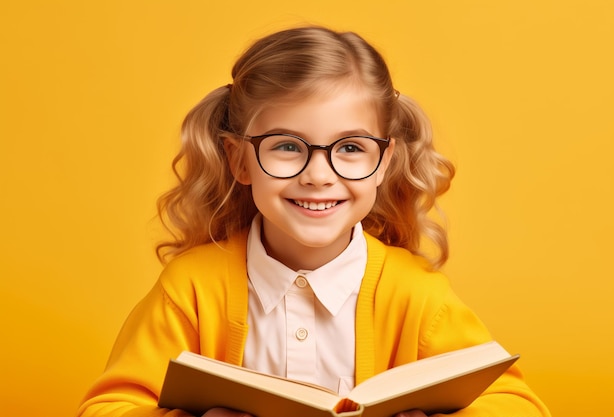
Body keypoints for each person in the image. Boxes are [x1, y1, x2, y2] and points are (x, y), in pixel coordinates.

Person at [76, 26, 550, 417]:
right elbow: (108, 407)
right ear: (240, 160)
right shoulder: (191, 288)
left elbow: (517, 405)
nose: (318, 175)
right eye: (286, 146)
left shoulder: (418, 295)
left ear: (383, 163)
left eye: (350, 148)